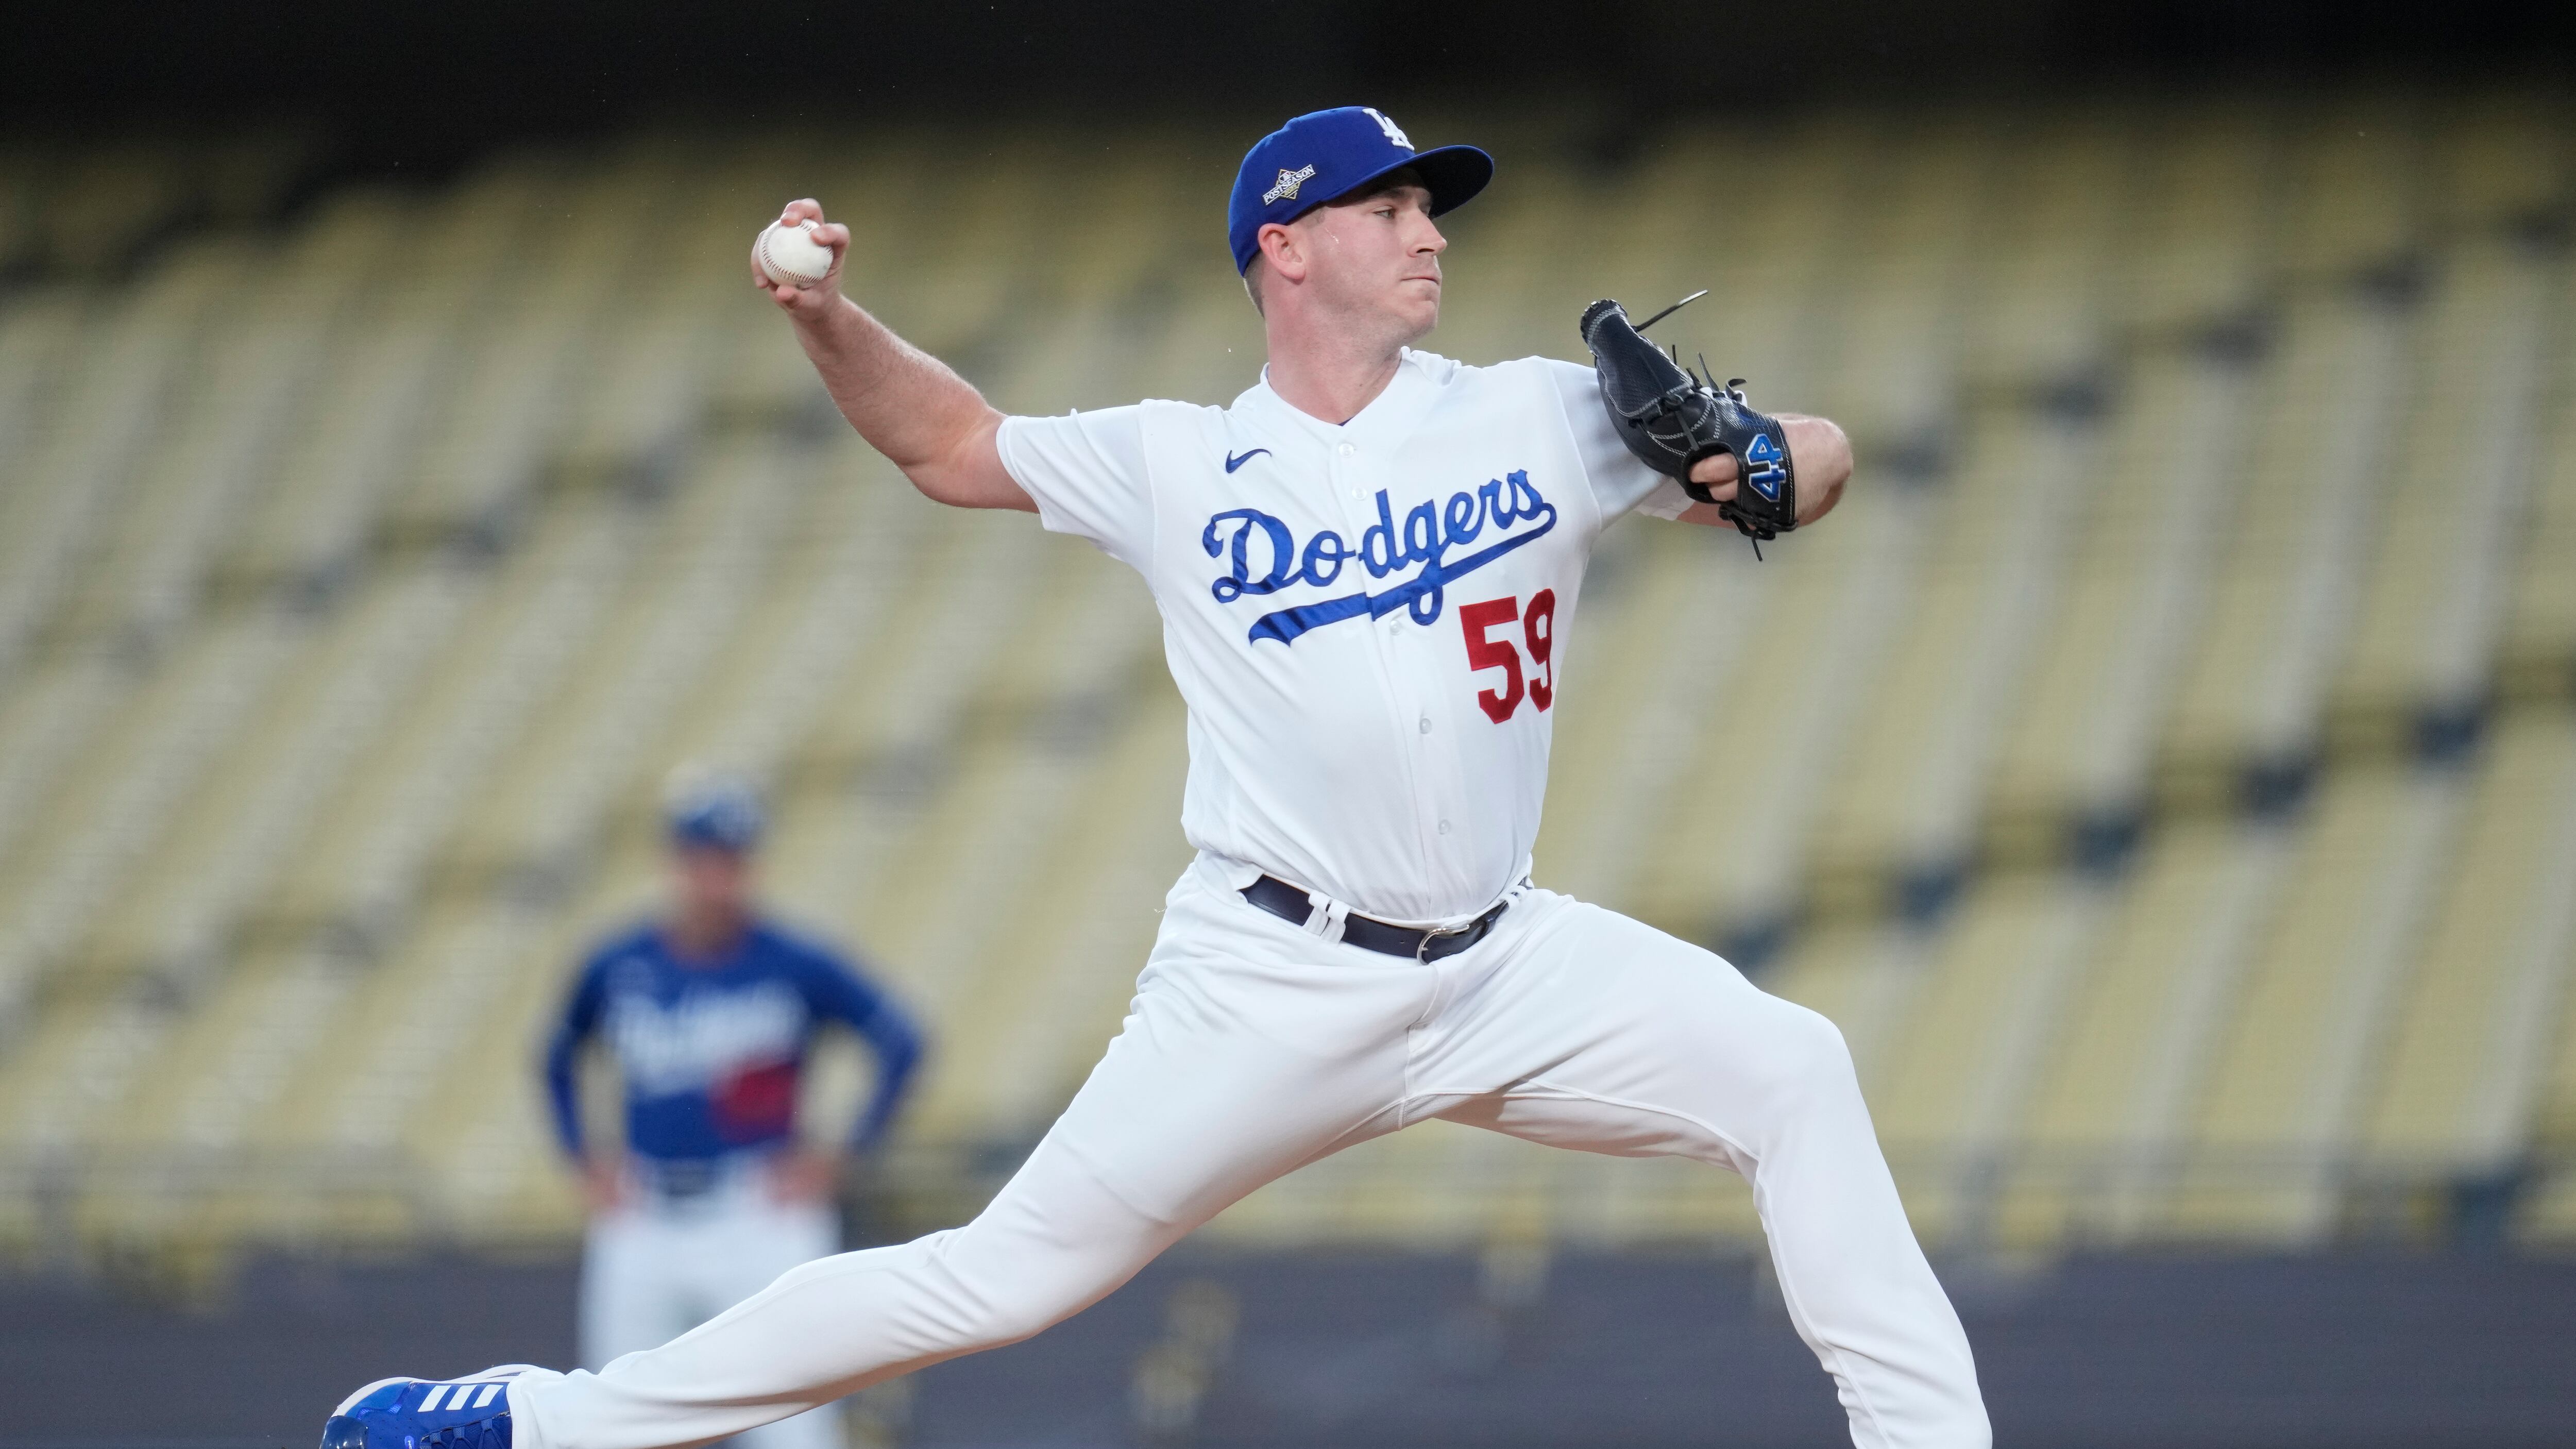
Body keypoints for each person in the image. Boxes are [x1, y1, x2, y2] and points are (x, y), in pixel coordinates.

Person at [320, 105, 1989, 1449]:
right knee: (999, 1278)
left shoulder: (1535, 417)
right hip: (1269, 975)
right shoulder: (1180, 461)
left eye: (1434, 207)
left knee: (1794, 1069)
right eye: (1391, 204)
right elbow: (948, 447)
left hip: (1504, 958)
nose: (1431, 229)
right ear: (1287, 242)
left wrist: (1767, 456)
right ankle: (546, 1424)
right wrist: (826, 313)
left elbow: (1804, 469)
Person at [540, 772, 924, 1449]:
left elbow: (901, 1042)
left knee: (793, 1426)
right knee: (614, 1423)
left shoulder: (792, 961)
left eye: (733, 863)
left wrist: (843, 1155)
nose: (718, 880)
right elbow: (556, 1058)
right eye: (704, 862)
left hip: (760, 1212)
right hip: (646, 1211)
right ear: (676, 866)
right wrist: (583, 1155)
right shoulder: (621, 962)